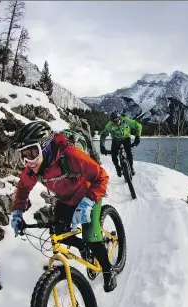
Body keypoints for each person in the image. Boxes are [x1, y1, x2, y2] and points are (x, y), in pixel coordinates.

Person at [9, 120, 117, 292]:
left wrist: (88, 202)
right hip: (66, 198)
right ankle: (83, 248)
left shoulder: (71, 156)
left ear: (44, 147)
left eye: (31, 152)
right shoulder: (33, 168)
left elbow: (101, 177)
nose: (28, 160)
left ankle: (108, 269)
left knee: (91, 235)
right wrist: (17, 212)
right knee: (59, 232)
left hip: (89, 194)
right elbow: (22, 189)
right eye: (23, 155)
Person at [100, 111, 142, 177]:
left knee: (129, 152)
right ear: (111, 121)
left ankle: (131, 167)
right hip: (116, 140)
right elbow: (103, 135)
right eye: (114, 121)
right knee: (114, 155)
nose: (116, 123)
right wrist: (102, 146)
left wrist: (138, 136)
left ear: (120, 118)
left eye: (117, 120)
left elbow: (138, 126)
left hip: (126, 138)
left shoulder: (126, 120)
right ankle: (117, 167)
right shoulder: (109, 125)